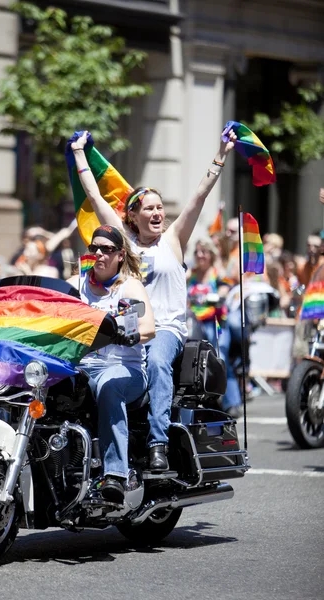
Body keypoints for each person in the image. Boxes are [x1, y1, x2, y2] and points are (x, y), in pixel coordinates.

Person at [70, 127, 237, 470]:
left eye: (160, 207)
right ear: (132, 216)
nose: (158, 213)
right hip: (124, 331)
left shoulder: (173, 239)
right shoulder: (123, 246)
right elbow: (95, 198)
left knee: (159, 361)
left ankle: (158, 443)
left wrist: (221, 155)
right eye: (149, 208)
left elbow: (199, 198)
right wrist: (77, 153)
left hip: (164, 329)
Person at [68, 225, 155, 503]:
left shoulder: (129, 286)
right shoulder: (75, 285)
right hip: (81, 366)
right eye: (94, 248)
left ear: (119, 255)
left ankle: (115, 474)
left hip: (124, 368)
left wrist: (126, 335)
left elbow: (149, 327)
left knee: (108, 385)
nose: (99, 254)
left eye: (106, 249)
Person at [187, 238, 242, 416]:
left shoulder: (217, 273)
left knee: (220, 357)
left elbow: (226, 288)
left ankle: (232, 402)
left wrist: (219, 295)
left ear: (211, 254)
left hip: (216, 323)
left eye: (204, 252)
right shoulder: (191, 274)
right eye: (197, 252)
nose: (200, 255)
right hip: (194, 324)